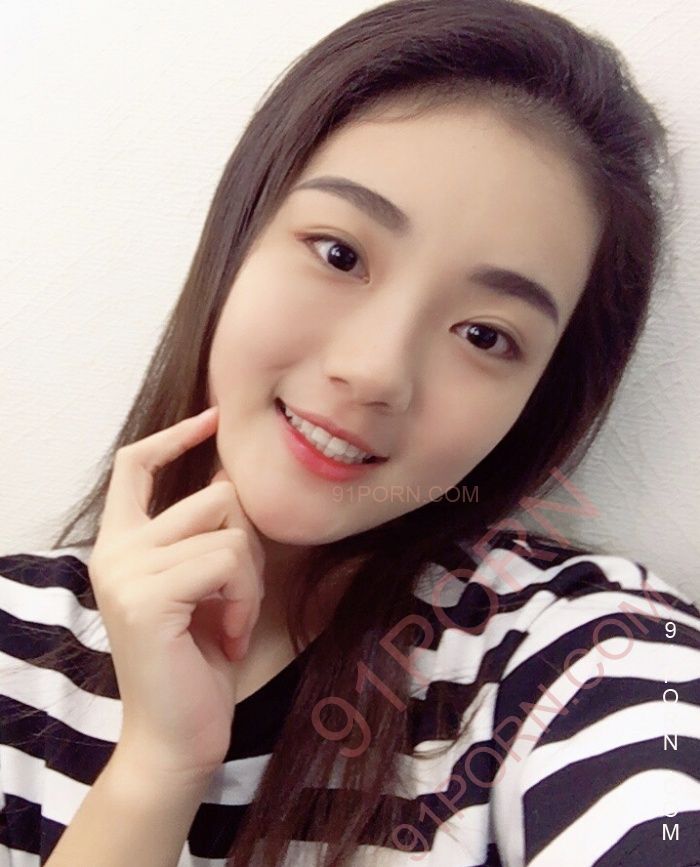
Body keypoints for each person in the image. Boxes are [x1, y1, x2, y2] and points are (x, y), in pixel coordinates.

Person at [1, 0, 698, 864]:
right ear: (239, 238)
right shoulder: (15, 639)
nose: (375, 371)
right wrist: (154, 772)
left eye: (485, 335)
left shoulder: (587, 655)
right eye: (340, 253)